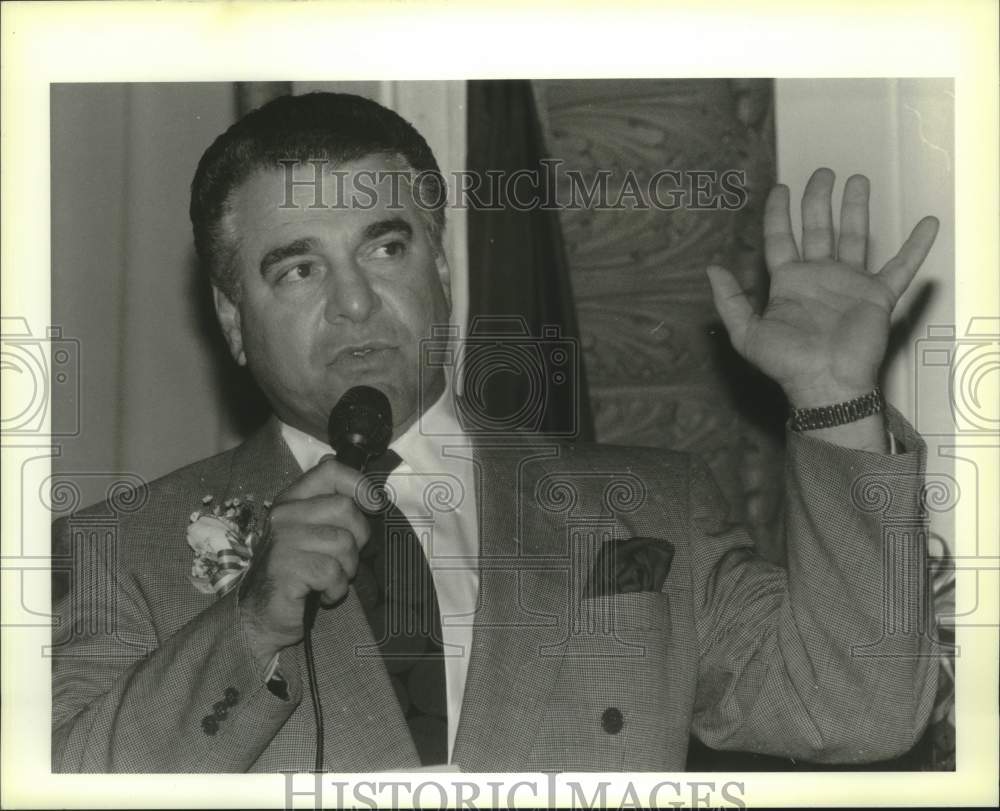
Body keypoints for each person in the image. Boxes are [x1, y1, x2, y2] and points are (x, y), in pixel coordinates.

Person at [51, 91, 940, 773]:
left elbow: (858, 707)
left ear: (441, 265)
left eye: (386, 247)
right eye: (298, 268)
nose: (355, 300)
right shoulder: (123, 550)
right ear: (233, 317)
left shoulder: (650, 508)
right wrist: (248, 625)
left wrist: (834, 401)